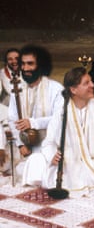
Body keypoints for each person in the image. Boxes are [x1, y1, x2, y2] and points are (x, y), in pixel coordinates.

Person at [37, 67, 94, 197]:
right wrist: (52, 156)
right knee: (37, 165)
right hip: (69, 164)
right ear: (73, 89)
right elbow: (49, 142)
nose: (93, 85)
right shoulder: (62, 111)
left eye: (91, 81)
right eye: (86, 83)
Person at [8, 45, 64, 186]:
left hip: (50, 145)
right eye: (23, 64)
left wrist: (33, 123)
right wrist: (21, 144)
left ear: (41, 65)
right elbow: (12, 119)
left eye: (30, 63)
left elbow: (60, 119)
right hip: (25, 146)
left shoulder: (56, 89)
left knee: (41, 168)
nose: (25, 68)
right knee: (17, 169)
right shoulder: (17, 89)